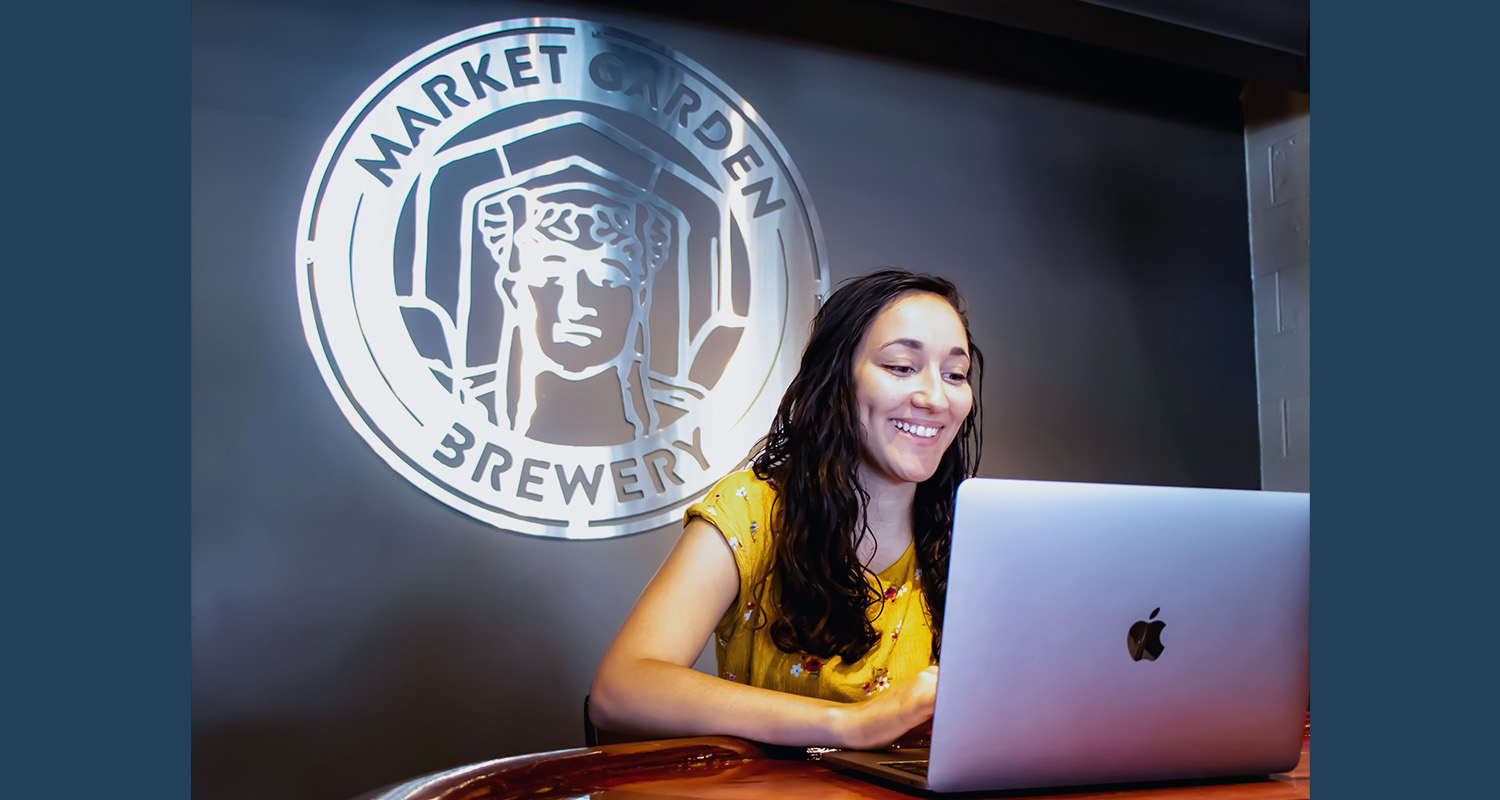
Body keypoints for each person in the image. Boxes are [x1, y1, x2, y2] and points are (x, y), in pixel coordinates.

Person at [589, 268, 983, 749]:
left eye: (955, 375)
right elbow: (619, 691)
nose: (935, 397)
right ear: (836, 379)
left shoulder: (975, 529)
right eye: (901, 367)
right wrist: (850, 724)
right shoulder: (752, 510)